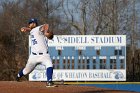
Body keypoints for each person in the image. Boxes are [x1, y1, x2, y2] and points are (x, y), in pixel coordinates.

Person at [16, 18, 55, 87]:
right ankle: (18, 75)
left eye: (33, 22)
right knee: (26, 71)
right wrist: (25, 28)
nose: (32, 23)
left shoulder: (39, 29)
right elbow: (31, 30)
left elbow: (46, 25)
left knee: (50, 65)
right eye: (31, 23)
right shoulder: (32, 30)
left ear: (35, 24)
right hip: (33, 57)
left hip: (44, 55)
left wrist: (45, 32)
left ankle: (49, 82)